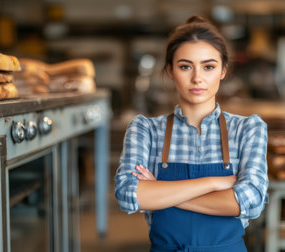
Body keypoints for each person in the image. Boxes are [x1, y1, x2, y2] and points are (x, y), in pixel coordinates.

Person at [115, 15, 268, 252]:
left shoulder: (248, 129)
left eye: (208, 67)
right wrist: (215, 183)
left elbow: (250, 201)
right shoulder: (146, 129)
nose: (197, 78)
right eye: (185, 66)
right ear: (169, 71)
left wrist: (161, 192)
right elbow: (128, 196)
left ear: (223, 71)